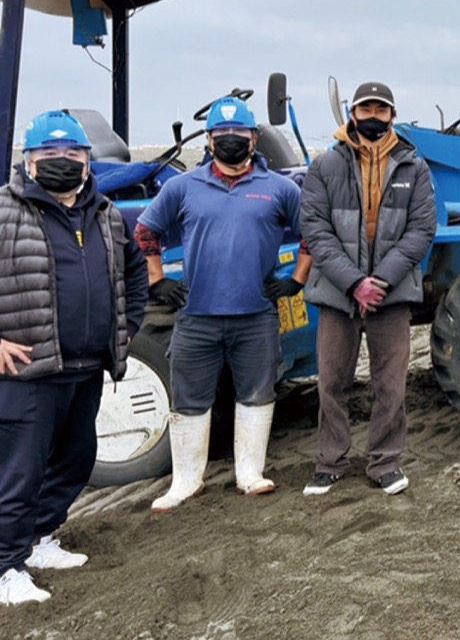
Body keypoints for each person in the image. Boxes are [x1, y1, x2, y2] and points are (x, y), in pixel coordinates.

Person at [0, 111, 148, 606]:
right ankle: (5, 566)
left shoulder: (106, 214)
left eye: (73, 154)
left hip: (87, 366)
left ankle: (39, 539)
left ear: (89, 161)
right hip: (28, 371)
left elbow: (134, 275)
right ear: (29, 160)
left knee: (76, 460)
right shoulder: (5, 211)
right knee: (19, 473)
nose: (63, 162)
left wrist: (124, 331)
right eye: (50, 155)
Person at [135, 96, 306, 512]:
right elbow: (145, 232)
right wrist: (156, 280)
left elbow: (312, 235)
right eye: (222, 135)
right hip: (197, 316)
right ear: (209, 140)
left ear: (253, 139)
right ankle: (186, 483)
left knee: (257, 393)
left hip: (257, 316)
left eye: (240, 134)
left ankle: (250, 474)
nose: (231, 140)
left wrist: (295, 281)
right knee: (189, 399)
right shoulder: (182, 188)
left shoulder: (280, 189)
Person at [300, 81, 436, 496]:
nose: (373, 117)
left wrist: (382, 280)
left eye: (381, 110)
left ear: (392, 116)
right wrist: (354, 282)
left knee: (390, 384)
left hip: (391, 295)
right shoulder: (325, 166)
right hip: (340, 294)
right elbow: (316, 230)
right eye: (366, 110)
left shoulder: (414, 167)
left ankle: (385, 462)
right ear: (352, 114)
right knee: (332, 381)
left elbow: (422, 230)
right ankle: (330, 461)